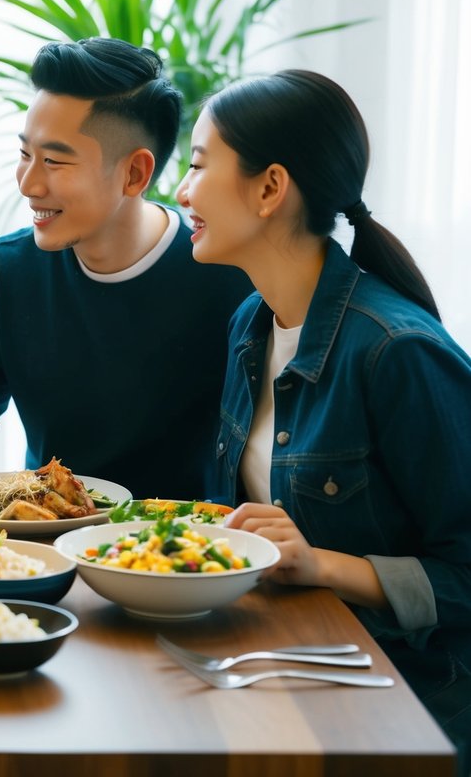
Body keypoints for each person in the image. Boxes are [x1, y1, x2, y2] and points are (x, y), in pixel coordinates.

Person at [176, 69, 471, 769]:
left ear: (270, 188)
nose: (181, 192)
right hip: (290, 662)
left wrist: (319, 563)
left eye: (195, 165)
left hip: (405, 709)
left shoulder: (398, 353)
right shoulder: (251, 324)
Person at [0, 38, 250, 498]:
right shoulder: (6, 274)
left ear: (134, 174)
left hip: (183, 553)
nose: (28, 183)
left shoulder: (225, 275)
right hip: (48, 545)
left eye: (53, 161)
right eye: (26, 154)